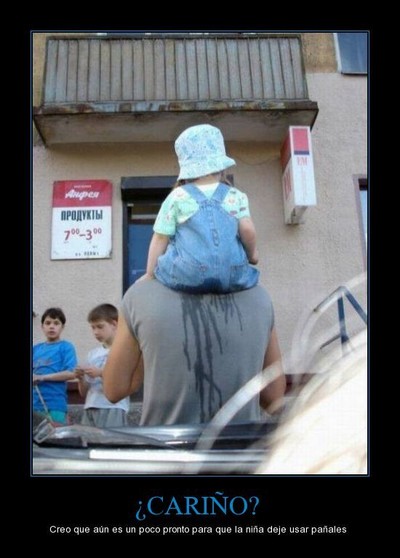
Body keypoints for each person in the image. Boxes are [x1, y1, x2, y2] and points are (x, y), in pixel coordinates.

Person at [103, 279, 286, 426]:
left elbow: (114, 389)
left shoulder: (141, 296)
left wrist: (148, 341)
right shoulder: (259, 297)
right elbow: (274, 397)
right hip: (236, 451)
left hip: (165, 451)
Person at [140, 124, 260, 294]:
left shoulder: (177, 197)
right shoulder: (235, 195)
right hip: (233, 274)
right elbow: (247, 229)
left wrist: (150, 273)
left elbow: (160, 237)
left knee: (167, 259)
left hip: (188, 274)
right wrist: (252, 254)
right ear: (221, 166)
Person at [75, 304, 133, 428]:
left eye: (100, 327)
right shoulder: (92, 354)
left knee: (111, 439)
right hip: (91, 406)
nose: (96, 332)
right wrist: (80, 378)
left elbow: (124, 381)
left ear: (114, 324)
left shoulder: (124, 350)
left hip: (113, 407)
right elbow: (84, 392)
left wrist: (101, 373)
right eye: (93, 328)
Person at [32, 307, 78, 425]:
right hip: (34, 405)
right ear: (42, 326)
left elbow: (71, 373)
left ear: (62, 327)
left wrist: (42, 377)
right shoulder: (35, 349)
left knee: (55, 435)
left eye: (56, 323)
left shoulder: (66, 347)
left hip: (55, 405)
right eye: (48, 323)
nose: (51, 326)